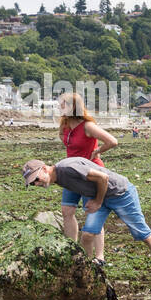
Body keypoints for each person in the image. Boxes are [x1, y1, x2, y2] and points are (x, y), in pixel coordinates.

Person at [21, 157, 151, 285]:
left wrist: (98, 202)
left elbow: (103, 178)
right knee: (87, 235)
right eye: (33, 183)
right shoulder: (58, 178)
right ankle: (88, 275)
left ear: (45, 169)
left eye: (36, 179)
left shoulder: (67, 168)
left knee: (143, 235)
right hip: (99, 198)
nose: (36, 184)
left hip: (120, 194)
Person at [57, 92, 118, 259]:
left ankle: (99, 257)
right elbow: (66, 141)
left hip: (90, 174)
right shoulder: (65, 127)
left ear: (74, 107)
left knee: (92, 212)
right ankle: (73, 251)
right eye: (60, 104)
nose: (60, 107)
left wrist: (97, 151)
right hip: (71, 173)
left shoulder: (87, 126)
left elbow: (112, 141)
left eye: (64, 104)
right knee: (66, 210)